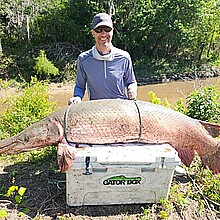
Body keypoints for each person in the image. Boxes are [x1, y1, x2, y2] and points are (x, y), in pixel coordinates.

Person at [68, 12, 137, 105]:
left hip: (121, 107)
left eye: (107, 29)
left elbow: (131, 82)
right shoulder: (83, 59)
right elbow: (80, 86)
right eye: (99, 30)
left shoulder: (124, 57)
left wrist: (131, 90)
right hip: (96, 109)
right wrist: (77, 97)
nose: (103, 33)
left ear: (112, 31)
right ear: (93, 33)